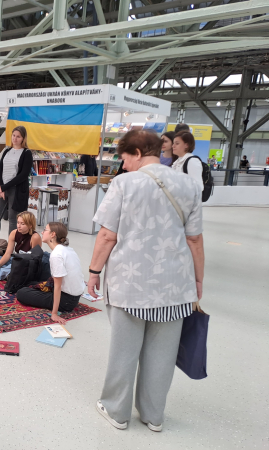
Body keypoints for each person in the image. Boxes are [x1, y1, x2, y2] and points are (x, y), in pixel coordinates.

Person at [87, 129, 204, 432]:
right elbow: (194, 239)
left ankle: (117, 411)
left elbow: (107, 235)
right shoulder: (189, 185)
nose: (123, 165)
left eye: (124, 158)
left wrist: (94, 271)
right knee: (162, 355)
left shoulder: (124, 183)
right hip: (175, 285)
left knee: (124, 351)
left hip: (130, 283)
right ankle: (153, 416)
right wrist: (198, 280)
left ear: (137, 153)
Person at [16, 222, 84, 322]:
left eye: (45, 230)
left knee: (22, 293)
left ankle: (55, 306)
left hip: (66, 301)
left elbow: (58, 286)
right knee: (32, 283)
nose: (42, 232)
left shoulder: (56, 254)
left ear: (53, 234)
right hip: (73, 297)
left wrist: (54, 313)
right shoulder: (68, 249)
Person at [0, 126, 34, 240]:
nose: (15, 138)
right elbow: (0, 169)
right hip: (3, 188)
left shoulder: (27, 153)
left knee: (13, 220)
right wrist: (1, 186)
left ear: (23, 138)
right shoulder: (7, 150)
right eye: (13, 135)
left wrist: (4, 187)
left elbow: (23, 175)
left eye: (18, 136)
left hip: (17, 190)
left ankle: (11, 247)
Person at [0, 211, 41, 280]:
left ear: (30, 225)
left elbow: (34, 260)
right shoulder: (14, 233)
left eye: (22, 224)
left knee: (15, 266)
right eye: (18, 222)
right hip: (15, 259)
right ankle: (6, 273)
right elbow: (8, 254)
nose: (19, 226)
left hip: (25, 263)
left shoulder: (35, 237)